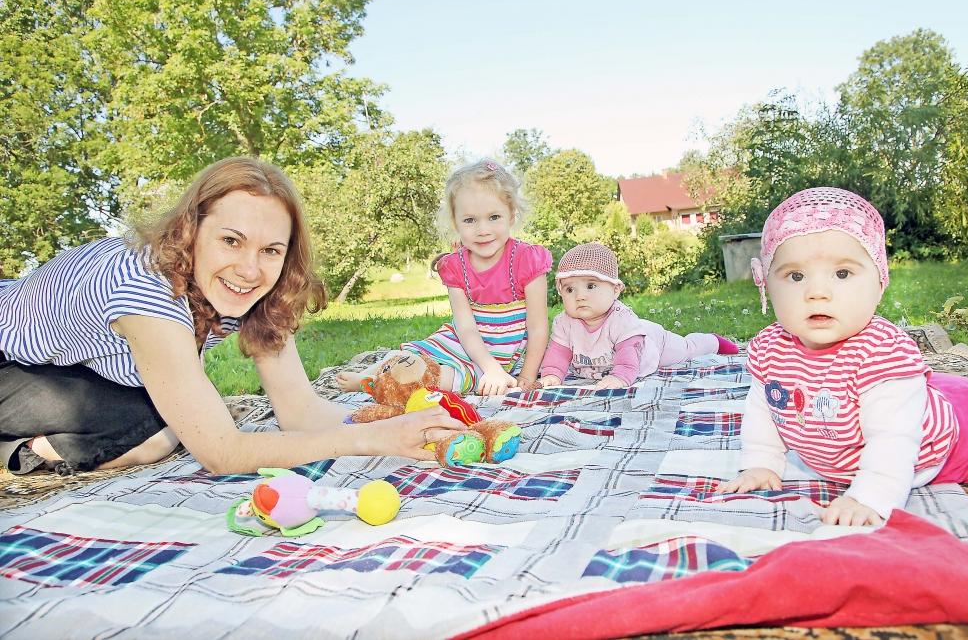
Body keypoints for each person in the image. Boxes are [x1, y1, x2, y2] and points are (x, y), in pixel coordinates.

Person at [0, 157, 466, 476]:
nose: (249, 269)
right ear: (191, 229)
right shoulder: (147, 290)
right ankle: (17, 452)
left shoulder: (261, 288)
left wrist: (395, 420)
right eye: (231, 240)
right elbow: (221, 453)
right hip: (8, 359)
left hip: (69, 365)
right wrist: (372, 441)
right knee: (161, 432)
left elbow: (300, 410)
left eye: (270, 250)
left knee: (165, 424)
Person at [715, 187, 968, 526]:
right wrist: (761, 461)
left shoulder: (882, 352)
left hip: (953, 446)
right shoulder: (770, 348)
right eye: (796, 276)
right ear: (767, 286)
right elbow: (763, 410)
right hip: (905, 400)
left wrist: (869, 496)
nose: (817, 292)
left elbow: (893, 439)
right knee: (944, 395)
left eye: (843, 274)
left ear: (879, 282)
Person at [339, 159, 551, 397]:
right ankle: (371, 378)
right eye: (470, 220)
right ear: (455, 222)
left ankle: (390, 385)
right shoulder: (455, 266)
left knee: (445, 378)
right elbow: (466, 328)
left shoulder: (527, 260)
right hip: (459, 339)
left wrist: (526, 376)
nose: (483, 229)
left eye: (494, 217)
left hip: (497, 353)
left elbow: (537, 327)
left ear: (511, 215)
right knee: (407, 356)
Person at [537, 242, 739, 390]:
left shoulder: (621, 319)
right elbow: (558, 352)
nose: (580, 296)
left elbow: (628, 353)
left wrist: (620, 377)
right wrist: (552, 374)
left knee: (685, 349)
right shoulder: (564, 322)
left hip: (651, 344)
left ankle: (712, 341)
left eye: (591, 286)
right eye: (570, 289)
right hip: (598, 367)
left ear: (615, 290)